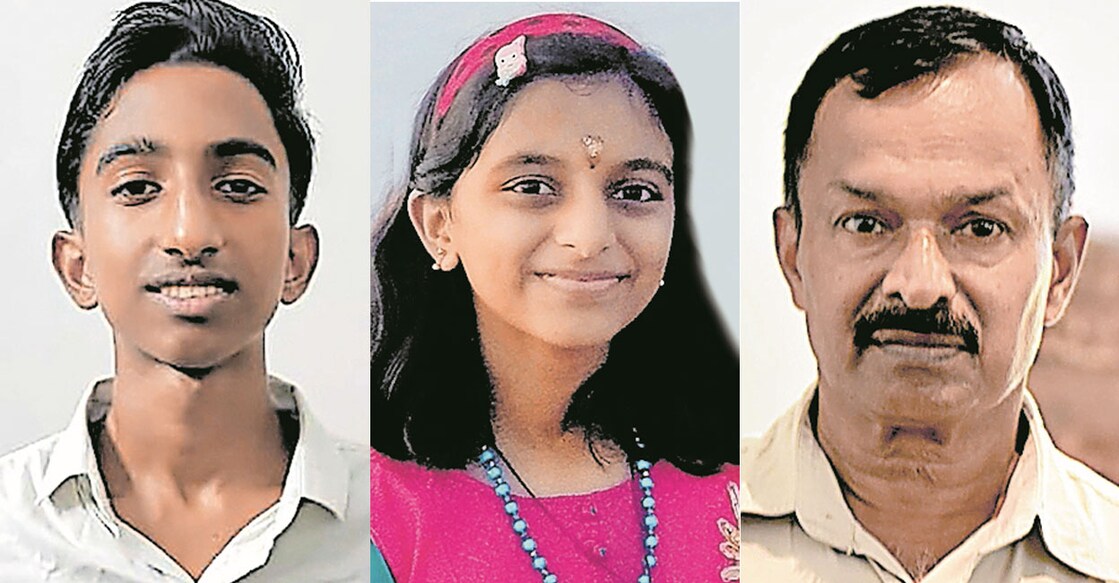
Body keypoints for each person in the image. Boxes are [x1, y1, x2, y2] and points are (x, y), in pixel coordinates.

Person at [741, 5, 1119, 581]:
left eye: (979, 228)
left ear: (1061, 271)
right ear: (792, 254)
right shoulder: (667, 546)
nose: (919, 288)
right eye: (866, 224)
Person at [0, 1, 368, 581]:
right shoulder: (10, 530)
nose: (189, 234)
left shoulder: (396, 524)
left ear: (297, 260)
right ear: (78, 265)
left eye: (239, 185)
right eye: (139, 187)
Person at [370, 12, 740, 583]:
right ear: (439, 226)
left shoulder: (742, 482)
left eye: (635, 191)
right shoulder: (372, 510)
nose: (589, 237)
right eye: (533, 187)